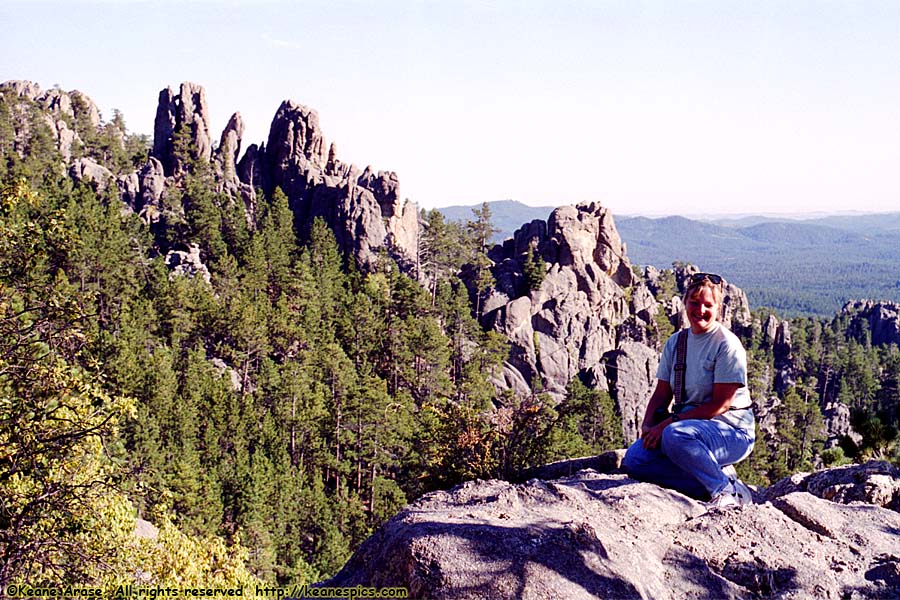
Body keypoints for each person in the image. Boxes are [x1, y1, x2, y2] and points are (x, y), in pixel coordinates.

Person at [622, 272, 755, 508]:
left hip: (731, 431)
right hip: (686, 427)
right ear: (685, 302)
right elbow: (662, 393)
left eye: (708, 305)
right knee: (635, 461)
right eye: (694, 302)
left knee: (675, 435)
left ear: (718, 308)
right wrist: (648, 426)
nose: (700, 310)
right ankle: (718, 478)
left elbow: (720, 405)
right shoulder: (677, 343)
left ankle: (723, 490)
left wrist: (666, 425)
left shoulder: (727, 345)